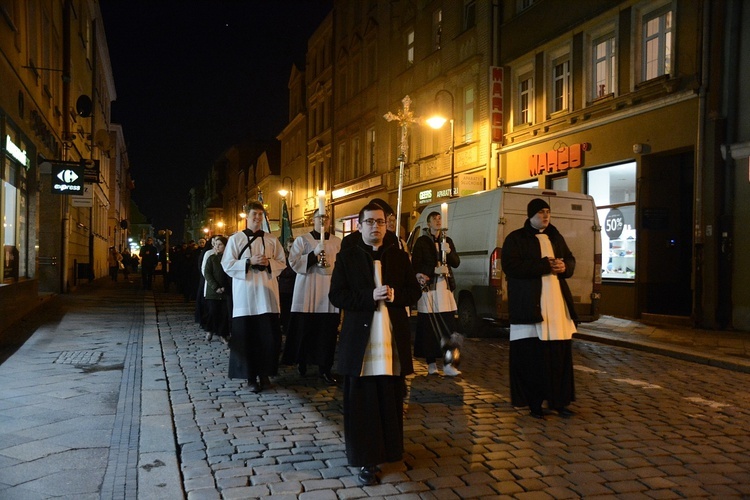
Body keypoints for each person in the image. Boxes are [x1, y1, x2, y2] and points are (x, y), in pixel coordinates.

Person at [329, 202, 422, 486]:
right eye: (369, 222)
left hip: (391, 341)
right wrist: (370, 296)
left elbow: (414, 292)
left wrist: (395, 295)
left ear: (386, 225)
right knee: (363, 403)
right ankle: (366, 458)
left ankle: (391, 450)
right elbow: (338, 296)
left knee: (390, 399)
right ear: (360, 226)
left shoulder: (398, 256)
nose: (375, 227)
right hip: (362, 344)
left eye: (380, 222)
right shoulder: (347, 257)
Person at [501, 198, 578, 420]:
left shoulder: (556, 236)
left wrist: (565, 267)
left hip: (557, 307)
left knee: (559, 357)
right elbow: (511, 266)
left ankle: (559, 401)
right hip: (531, 307)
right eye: (540, 212)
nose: (545, 216)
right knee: (532, 359)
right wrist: (545, 265)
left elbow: (570, 259)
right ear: (530, 215)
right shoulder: (516, 238)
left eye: (547, 212)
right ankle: (534, 403)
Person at [221, 202, 286, 393]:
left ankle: (265, 374)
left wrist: (268, 263)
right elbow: (227, 264)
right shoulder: (236, 239)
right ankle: (250, 377)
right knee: (247, 339)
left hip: (267, 297)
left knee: (267, 339)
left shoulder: (272, 240)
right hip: (246, 297)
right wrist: (249, 262)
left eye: (260, 214)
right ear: (246, 216)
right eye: (254, 214)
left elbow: (282, 262)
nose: (257, 218)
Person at [281, 209, 341, 384]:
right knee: (305, 330)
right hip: (307, 289)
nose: (323, 221)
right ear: (312, 220)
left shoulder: (337, 241)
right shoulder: (302, 240)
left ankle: (325, 368)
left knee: (326, 333)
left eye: (326, 218)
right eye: (319, 218)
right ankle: (302, 363)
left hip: (328, 290)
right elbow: (293, 262)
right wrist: (313, 255)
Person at [412, 211, 462, 377]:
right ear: (428, 224)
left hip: (445, 290)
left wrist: (448, 252)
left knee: (449, 329)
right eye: (435, 219)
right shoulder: (421, 242)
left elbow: (456, 263)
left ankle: (450, 364)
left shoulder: (447, 240)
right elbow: (416, 265)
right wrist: (433, 270)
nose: (438, 221)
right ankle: (431, 363)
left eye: (440, 218)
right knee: (430, 329)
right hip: (430, 291)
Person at [204, 236, 231, 345]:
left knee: (224, 314)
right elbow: (207, 273)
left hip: (225, 292)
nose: (217, 247)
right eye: (216, 245)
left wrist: (225, 287)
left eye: (220, 245)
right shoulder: (211, 258)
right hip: (213, 292)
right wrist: (215, 287)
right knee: (213, 312)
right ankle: (210, 330)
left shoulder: (229, 258)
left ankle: (223, 334)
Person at [277, 237, 296, 333]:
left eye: (294, 246)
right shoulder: (283, 259)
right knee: (285, 310)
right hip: (284, 289)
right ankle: (285, 327)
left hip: (295, 289)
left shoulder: (298, 258)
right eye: (290, 246)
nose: (292, 249)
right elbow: (281, 272)